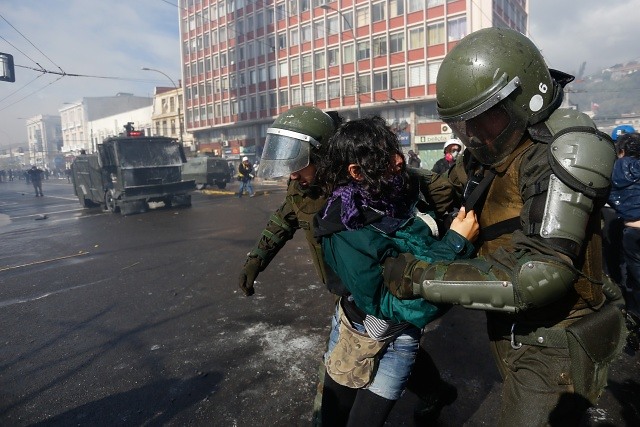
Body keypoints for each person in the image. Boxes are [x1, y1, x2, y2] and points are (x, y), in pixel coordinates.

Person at [380, 28, 627, 426]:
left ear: (522, 99)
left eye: (485, 120)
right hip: (515, 327)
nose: (474, 135)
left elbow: (543, 273)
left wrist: (419, 277)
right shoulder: (495, 151)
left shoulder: (555, 152)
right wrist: (394, 171)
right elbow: (451, 189)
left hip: (554, 338)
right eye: (465, 126)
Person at [239, 107, 463, 424]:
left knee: (389, 344)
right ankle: (430, 391)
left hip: (389, 295)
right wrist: (257, 259)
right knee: (357, 357)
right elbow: (282, 221)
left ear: (326, 154)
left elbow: (440, 189)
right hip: (347, 293)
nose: (292, 174)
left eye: (299, 162)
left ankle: (431, 392)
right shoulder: (301, 188)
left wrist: (445, 235)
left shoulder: (372, 181)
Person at [313, 116, 479, 426]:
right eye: (384, 156)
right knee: (334, 419)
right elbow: (410, 302)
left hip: (401, 338)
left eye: (395, 149)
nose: (399, 160)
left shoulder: (393, 193)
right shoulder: (347, 224)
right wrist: (456, 243)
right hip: (360, 334)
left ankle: (434, 394)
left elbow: (422, 250)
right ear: (356, 171)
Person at [608, 132, 640, 317]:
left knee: (635, 279)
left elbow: (610, 198)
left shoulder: (615, 168)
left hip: (631, 230)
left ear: (621, 151)